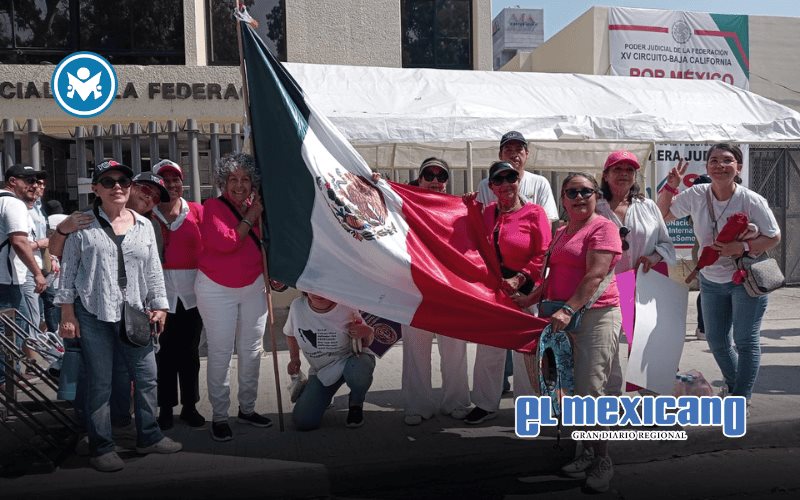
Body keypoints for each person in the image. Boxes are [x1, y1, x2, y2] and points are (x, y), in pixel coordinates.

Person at [56, 160, 181, 472]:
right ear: (96, 189)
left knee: (148, 376)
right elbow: (68, 271)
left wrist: (161, 305)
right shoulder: (81, 224)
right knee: (100, 382)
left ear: (131, 187)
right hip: (93, 312)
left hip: (135, 312)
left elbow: (153, 270)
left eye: (123, 181)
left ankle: (149, 435)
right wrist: (67, 312)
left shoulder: (144, 225)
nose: (117, 187)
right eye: (108, 181)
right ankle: (102, 447)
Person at [516, 172, 622, 492]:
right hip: (563, 318)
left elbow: (594, 275)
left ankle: (603, 460)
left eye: (585, 192)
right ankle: (587, 451)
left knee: (591, 391)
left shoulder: (603, 228)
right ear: (562, 199)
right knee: (569, 391)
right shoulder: (562, 231)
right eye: (572, 193)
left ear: (596, 196)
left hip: (594, 316)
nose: (578, 198)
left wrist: (567, 309)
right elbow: (552, 276)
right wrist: (531, 299)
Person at [657, 143, 780, 407]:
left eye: (727, 161)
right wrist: (670, 186)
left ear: (739, 167)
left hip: (746, 278)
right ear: (707, 167)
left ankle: (741, 399)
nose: (719, 166)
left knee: (745, 340)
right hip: (711, 279)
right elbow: (663, 216)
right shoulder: (698, 193)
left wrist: (743, 247)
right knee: (716, 340)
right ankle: (737, 387)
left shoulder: (750, 199)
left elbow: (774, 236)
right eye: (713, 161)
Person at [467, 131, 558, 425]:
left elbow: (543, 251)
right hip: (495, 290)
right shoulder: (487, 212)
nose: (506, 184)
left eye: (511, 179)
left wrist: (521, 280)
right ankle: (484, 402)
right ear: (490, 186)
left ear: (519, 180)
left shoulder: (535, 213)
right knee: (489, 348)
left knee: (526, 351)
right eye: (499, 181)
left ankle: (529, 408)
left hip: (525, 289)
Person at [195, 153, 271, 442]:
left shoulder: (260, 206)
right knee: (221, 351)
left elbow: (268, 243)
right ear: (223, 182)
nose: (239, 185)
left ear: (253, 183)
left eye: (245, 179)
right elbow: (226, 242)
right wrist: (252, 217)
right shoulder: (212, 206)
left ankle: (248, 408)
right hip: (217, 288)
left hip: (253, 285)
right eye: (233, 179)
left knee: (252, 350)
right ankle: (220, 415)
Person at [595, 150, 676, 395]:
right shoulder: (594, 207)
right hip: (605, 286)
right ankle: (610, 398)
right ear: (605, 175)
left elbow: (666, 244)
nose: (623, 174)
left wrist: (652, 257)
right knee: (605, 346)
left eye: (629, 170)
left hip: (643, 284)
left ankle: (649, 401)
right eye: (617, 169)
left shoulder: (648, 206)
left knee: (645, 346)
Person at [400, 158, 472, 425]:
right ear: (418, 180)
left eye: (441, 176)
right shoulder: (403, 206)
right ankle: (417, 405)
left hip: (451, 293)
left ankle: (457, 401)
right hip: (415, 291)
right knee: (415, 352)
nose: (434, 180)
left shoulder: (459, 209)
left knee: (455, 351)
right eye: (428, 175)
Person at [150, 159, 206, 429]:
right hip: (160, 298)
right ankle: (165, 409)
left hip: (193, 295)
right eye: (165, 180)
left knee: (190, 353)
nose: (171, 185)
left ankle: (190, 406)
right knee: (163, 355)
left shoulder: (197, 211)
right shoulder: (147, 215)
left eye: (176, 180)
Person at [284, 292, 376, 430]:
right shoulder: (297, 306)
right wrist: (294, 358)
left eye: (323, 289)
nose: (317, 293)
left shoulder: (347, 306)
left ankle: (356, 403)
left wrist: (367, 331)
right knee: (303, 422)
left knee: (359, 371)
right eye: (312, 287)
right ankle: (320, 395)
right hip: (322, 371)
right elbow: (290, 334)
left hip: (350, 361)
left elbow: (366, 343)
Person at [0, 165, 47, 391]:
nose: (33, 184)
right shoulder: (13, 203)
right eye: (26, 179)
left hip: (5, 277)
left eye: (35, 180)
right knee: (15, 328)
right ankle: (5, 380)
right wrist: (38, 273)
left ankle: (9, 377)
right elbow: (19, 241)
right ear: (12, 181)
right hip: (7, 280)